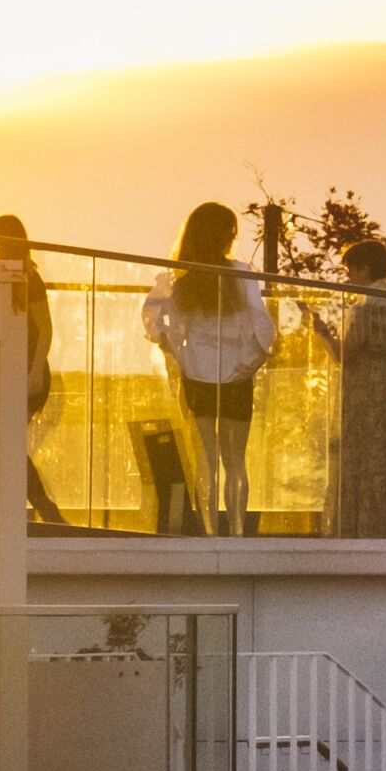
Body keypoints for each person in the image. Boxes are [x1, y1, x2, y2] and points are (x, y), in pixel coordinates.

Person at [142, 201, 272, 536]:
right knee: (235, 462)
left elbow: (152, 319)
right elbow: (262, 325)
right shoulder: (239, 274)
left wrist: (175, 350)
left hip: (196, 371)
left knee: (206, 461)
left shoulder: (178, 277)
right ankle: (238, 534)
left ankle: (210, 532)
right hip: (237, 375)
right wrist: (251, 360)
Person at [304, 238, 386, 538]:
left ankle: (358, 527)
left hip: (362, 386)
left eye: (351, 269)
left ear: (364, 269)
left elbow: (346, 353)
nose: (349, 277)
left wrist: (323, 334)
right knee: (384, 454)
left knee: (359, 454)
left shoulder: (363, 306)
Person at [0, 215, 67, 528]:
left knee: (9, 443)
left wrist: (33, 374)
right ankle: (39, 508)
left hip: (28, 371)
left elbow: (45, 329)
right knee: (6, 443)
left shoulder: (28, 278)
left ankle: (44, 509)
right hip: (8, 369)